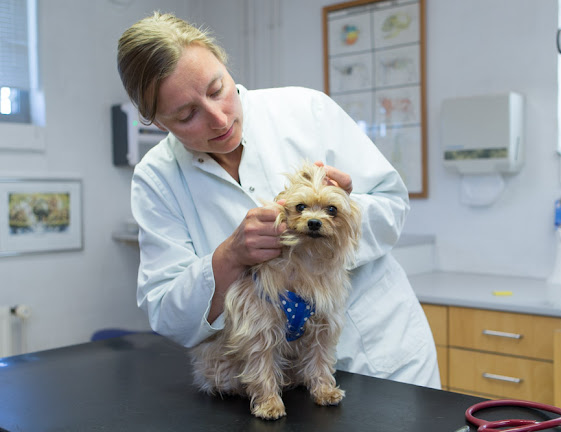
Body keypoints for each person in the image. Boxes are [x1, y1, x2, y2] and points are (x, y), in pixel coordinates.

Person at [117, 12, 440, 389]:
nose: (219, 119)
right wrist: (229, 257)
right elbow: (167, 311)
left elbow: (393, 205)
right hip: (265, 380)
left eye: (217, 88)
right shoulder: (157, 177)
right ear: (155, 121)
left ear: (224, 64)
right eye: (188, 115)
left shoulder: (306, 111)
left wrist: (342, 215)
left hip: (378, 359)